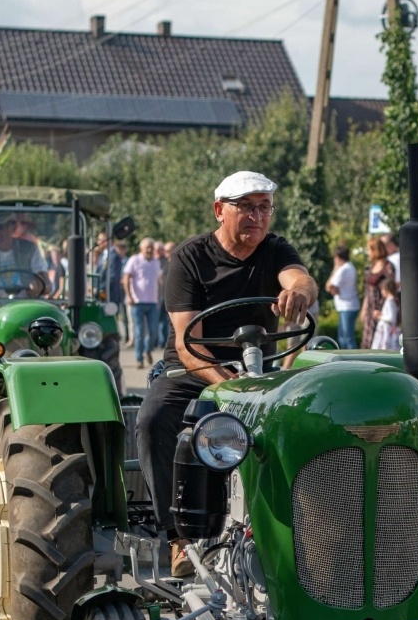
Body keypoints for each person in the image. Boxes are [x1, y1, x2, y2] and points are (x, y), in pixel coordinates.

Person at [135, 170, 317, 575]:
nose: (257, 216)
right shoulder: (190, 257)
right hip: (192, 369)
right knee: (153, 419)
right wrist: (226, 385)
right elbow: (188, 342)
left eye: (264, 207)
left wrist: (300, 292)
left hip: (257, 369)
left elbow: (299, 277)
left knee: (311, 422)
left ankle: (308, 533)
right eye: (247, 207)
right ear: (220, 210)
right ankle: (179, 538)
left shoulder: (275, 250)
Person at [123, 238, 162, 368]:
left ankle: (148, 350)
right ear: (142, 249)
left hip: (152, 302)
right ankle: (139, 359)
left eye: (151, 247)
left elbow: (158, 281)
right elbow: (126, 279)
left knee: (153, 330)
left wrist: (160, 296)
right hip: (137, 302)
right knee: (139, 331)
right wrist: (129, 296)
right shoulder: (134, 260)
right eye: (147, 248)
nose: (149, 250)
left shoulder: (156, 262)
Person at [360, 237, 396, 350]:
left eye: (370, 250)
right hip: (371, 306)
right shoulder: (371, 267)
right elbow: (367, 290)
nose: (368, 253)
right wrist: (364, 309)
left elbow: (390, 287)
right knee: (367, 339)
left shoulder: (388, 266)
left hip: (382, 306)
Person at [326, 244, 360, 349]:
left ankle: (355, 362)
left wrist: (334, 269)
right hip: (347, 306)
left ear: (338, 257)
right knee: (343, 338)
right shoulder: (350, 267)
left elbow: (329, 286)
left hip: (347, 306)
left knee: (347, 339)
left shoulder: (343, 269)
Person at [371, 278, 400, 350]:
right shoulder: (391, 300)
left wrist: (380, 316)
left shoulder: (390, 301)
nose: (381, 292)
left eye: (382, 290)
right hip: (385, 329)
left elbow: (391, 317)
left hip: (386, 331)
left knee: (385, 347)